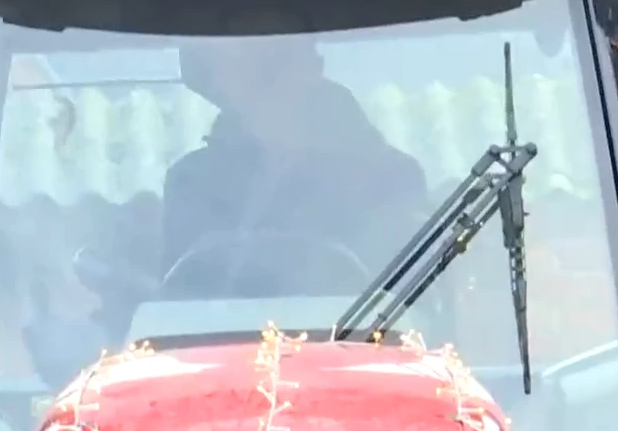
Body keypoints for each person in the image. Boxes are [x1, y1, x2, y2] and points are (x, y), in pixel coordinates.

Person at [158, 15, 429, 298]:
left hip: (359, 339)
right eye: (249, 65)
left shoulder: (391, 178)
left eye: (277, 60)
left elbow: (415, 306)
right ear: (220, 80)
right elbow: (172, 303)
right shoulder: (190, 183)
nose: (265, 78)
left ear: (314, 67)